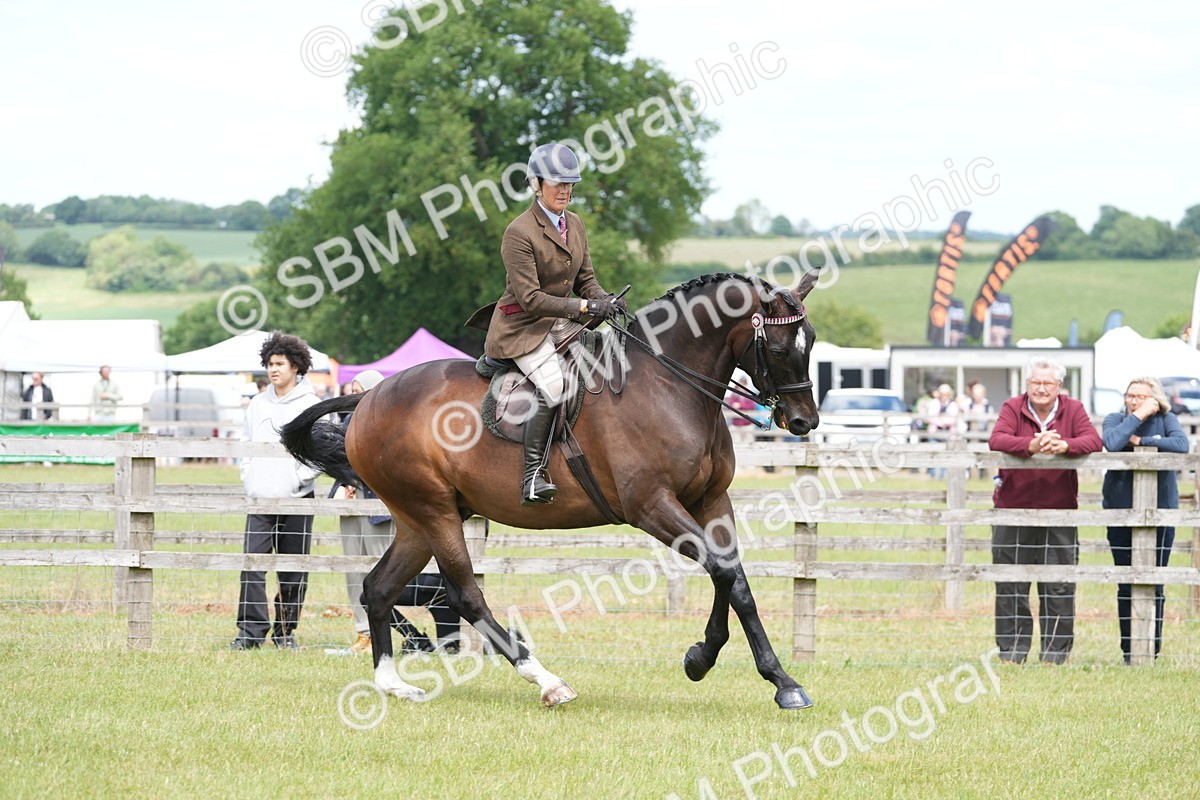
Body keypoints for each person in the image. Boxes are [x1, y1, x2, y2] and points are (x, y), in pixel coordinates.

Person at [472, 141, 626, 505]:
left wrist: (606, 300)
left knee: (608, 361)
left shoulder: (575, 223)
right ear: (536, 184)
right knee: (554, 385)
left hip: (561, 321)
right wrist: (586, 307)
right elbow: (531, 299)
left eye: (570, 183)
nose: (565, 190)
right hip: (523, 328)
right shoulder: (519, 232)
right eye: (557, 183)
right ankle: (532, 477)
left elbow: (586, 279)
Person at [988, 358, 1102, 664]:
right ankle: (1011, 654)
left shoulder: (1073, 409)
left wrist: (1064, 446)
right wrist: (1033, 444)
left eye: (1047, 383)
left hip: (1060, 511)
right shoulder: (1013, 407)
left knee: (1059, 583)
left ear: (1058, 387)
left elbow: (1093, 440)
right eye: (1035, 383)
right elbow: (996, 439)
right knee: (1011, 584)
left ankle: (1054, 656)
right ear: (1027, 384)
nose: (1040, 388)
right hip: (1013, 509)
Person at [230, 331, 322, 650]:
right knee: (252, 566)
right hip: (260, 497)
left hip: (297, 499)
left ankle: (285, 632)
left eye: (279, 363)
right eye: (269, 364)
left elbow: (320, 451)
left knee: (293, 570)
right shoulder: (257, 404)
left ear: (295, 366)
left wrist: (298, 479)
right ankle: (250, 633)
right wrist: (250, 478)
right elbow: (244, 445)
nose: (273, 370)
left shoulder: (311, 405)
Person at [1101, 376, 1188, 664]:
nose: (1133, 400)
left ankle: (1152, 649)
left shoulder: (1166, 419)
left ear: (1155, 398)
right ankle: (1129, 650)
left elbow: (1181, 444)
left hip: (1160, 509)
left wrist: (1144, 440)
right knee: (1125, 581)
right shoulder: (1116, 419)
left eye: (1140, 396)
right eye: (1130, 396)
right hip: (1120, 509)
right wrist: (1136, 417)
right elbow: (1112, 443)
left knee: (1156, 581)